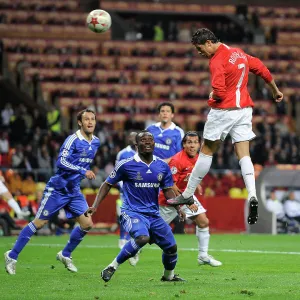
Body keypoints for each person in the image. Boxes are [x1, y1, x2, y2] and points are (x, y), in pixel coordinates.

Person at [167, 28, 284, 225]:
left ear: (209, 43)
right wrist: (275, 90)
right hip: (244, 109)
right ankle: (252, 194)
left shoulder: (216, 61)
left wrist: (211, 100)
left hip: (224, 111)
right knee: (244, 154)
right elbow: (261, 68)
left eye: (199, 48)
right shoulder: (238, 52)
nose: (199, 53)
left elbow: (219, 92)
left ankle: (187, 194)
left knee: (206, 152)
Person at [4, 108, 100, 275]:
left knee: (87, 224)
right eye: (86, 119)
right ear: (80, 122)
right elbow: (61, 161)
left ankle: (65, 254)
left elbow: (82, 161)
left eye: (93, 119)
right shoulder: (73, 140)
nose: (90, 122)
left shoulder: (96, 142)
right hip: (58, 189)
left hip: (74, 190)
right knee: (40, 223)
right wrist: (82, 171)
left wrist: (82, 172)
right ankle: (11, 256)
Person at [85, 130, 185, 282]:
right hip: (132, 212)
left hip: (153, 215)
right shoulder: (126, 165)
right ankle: (112, 266)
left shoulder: (162, 166)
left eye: (150, 140)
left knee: (171, 248)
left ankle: (168, 276)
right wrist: (95, 205)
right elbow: (107, 184)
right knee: (142, 237)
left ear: (154, 144)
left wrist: (178, 207)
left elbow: (167, 191)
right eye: (143, 140)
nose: (147, 142)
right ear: (136, 144)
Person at [159, 131, 221, 267]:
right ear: (184, 145)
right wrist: (187, 201)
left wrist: (196, 184)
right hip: (169, 201)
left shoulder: (198, 158)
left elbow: (192, 175)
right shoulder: (177, 160)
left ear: (199, 144)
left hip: (186, 195)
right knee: (152, 234)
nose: (192, 145)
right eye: (189, 142)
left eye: (195, 142)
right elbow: (170, 185)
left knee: (203, 222)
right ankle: (133, 249)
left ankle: (203, 255)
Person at [115, 132, 140, 266]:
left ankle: (135, 243)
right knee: (125, 215)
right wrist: (123, 187)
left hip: (141, 192)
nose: (132, 138)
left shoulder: (144, 153)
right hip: (125, 192)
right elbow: (116, 172)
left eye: (134, 136)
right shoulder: (122, 154)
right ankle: (123, 239)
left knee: (139, 218)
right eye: (129, 136)